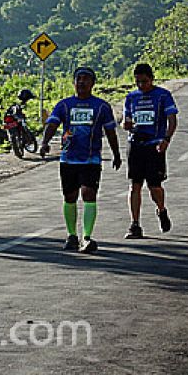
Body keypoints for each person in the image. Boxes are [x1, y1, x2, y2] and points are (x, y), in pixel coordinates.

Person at [39, 66, 122, 254]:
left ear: (93, 83)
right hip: (68, 159)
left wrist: (116, 154)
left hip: (91, 159)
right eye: (79, 79)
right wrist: (44, 143)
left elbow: (110, 131)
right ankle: (71, 235)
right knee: (70, 197)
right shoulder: (64, 105)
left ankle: (87, 237)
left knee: (88, 194)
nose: (82, 82)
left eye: (86, 79)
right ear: (74, 82)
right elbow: (52, 124)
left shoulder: (101, 106)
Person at [123, 62, 179, 239]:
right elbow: (126, 119)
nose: (141, 86)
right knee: (135, 185)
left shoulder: (163, 95)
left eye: (145, 82)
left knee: (154, 186)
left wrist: (166, 140)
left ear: (152, 79)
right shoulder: (131, 98)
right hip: (135, 145)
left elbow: (172, 119)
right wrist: (125, 124)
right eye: (138, 82)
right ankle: (135, 224)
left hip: (154, 145)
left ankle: (161, 209)